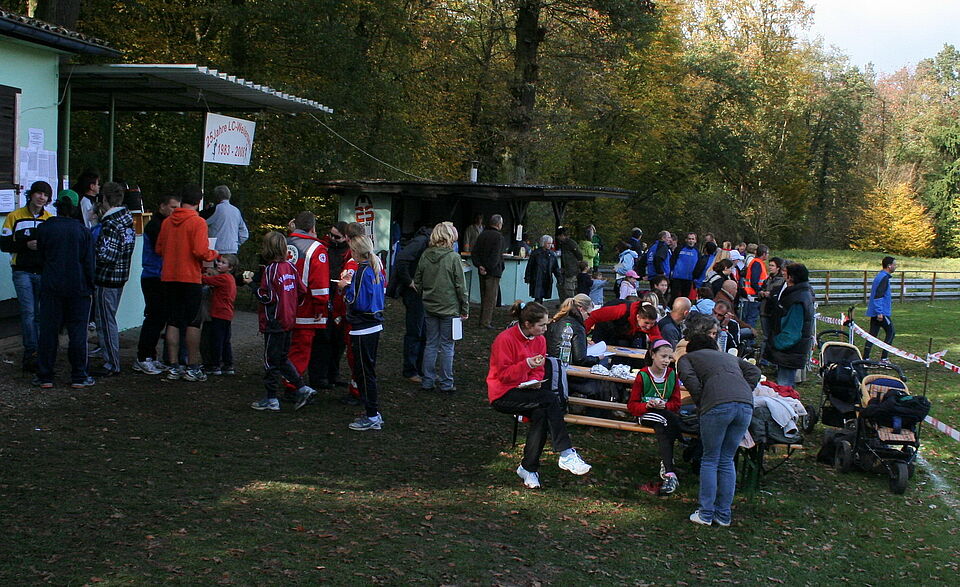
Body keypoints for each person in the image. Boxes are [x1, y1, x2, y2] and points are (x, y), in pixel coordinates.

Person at [487, 301, 592, 488]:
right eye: (542, 325)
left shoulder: (540, 340)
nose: (546, 328)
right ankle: (566, 452)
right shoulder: (505, 340)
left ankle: (528, 468)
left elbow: (539, 369)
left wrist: (534, 381)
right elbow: (503, 375)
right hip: (502, 393)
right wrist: (526, 364)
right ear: (528, 324)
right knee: (549, 399)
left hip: (526, 391)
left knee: (542, 413)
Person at [678, 334, 760, 527]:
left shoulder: (687, 358)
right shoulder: (729, 357)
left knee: (710, 458)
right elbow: (754, 371)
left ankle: (705, 513)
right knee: (727, 459)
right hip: (745, 406)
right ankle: (723, 515)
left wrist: (702, 400)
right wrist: (744, 389)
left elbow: (689, 379)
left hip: (717, 406)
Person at [155, 184, 219, 382]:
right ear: (199, 202)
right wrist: (214, 253)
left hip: (169, 277)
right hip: (190, 277)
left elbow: (159, 249)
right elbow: (200, 251)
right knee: (193, 322)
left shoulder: (167, 222)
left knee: (173, 321)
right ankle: (192, 366)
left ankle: (173, 366)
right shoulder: (198, 222)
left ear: (182, 199)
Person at [33, 191, 95, 389]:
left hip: (51, 285)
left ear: (57, 206)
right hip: (78, 288)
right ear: (75, 208)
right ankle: (79, 375)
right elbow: (89, 263)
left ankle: (45, 376)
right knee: (78, 333)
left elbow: (40, 258)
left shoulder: (44, 228)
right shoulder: (83, 231)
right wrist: (91, 285)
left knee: (48, 332)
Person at [249, 231, 316, 411]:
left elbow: (267, 296)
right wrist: (291, 305)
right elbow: (302, 290)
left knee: (271, 361)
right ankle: (302, 388)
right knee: (282, 358)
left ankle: (271, 398)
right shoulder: (291, 267)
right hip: (288, 320)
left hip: (274, 321)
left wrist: (252, 286)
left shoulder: (271, 270)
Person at [0, 180, 51, 372]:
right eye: (38, 193)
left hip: (43, 271)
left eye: (45, 195)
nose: (41, 197)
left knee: (40, 313)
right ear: (31, 195)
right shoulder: (14, 216)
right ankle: (31, 352)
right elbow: (4, 244)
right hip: (22, 271)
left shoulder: (49, 219)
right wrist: (25, 245)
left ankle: (40, 351)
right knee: (28, 312)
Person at [414, 221, 469, 394]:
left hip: (430, 306)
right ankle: (446, 383)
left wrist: (425, 295)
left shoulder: (425, 255)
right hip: (450, 308)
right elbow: (461, 286)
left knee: (431, 344)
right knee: (447, 346)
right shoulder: (453, 258)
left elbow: (418, 281)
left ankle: (428, 381)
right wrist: (465, 308)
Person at [90, 182, 136, 378]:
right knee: (109, 318)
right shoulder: (127, 220)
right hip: (120, 276)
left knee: (105, 321)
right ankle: (110, 357)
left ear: (104, 199)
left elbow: (106, 255)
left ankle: (111, 363)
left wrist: (93, 249)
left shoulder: (110, 224)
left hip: (106, 278)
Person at [341, 234, 386, 430]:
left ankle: (372, 415)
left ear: (355, 252)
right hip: (373, 325)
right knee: (368, 371)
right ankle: (372, 412)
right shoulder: (376, 268)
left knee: (364, 373)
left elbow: (356, 301)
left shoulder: (362, 271)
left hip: (362, 328)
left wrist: (345, 288)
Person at [628, 339, 683, 495]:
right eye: (663, 356)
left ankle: (669, 471)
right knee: (665, 420)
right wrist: (647, 406)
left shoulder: (672, 375)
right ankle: (671, 463)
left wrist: (665, 406)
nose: (666, 361)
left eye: (669, 357)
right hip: (645, 414)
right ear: (653, 355)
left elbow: (676, 403)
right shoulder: (643, 375)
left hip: (665, 415)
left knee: (663, 423)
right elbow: (632, 406)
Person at [134, 193, 180, 375]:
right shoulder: (155, 225)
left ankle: (150, 355)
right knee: (154, 317)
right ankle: (143, 357)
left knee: (159, 317)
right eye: (173, 207)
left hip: (161, 275)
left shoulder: (164, 224)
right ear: (162, 206)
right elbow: (161, 249)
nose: (176, 211)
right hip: (153, 276)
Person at [285, 212, 331, 385]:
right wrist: (321, 307)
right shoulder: (316, 249)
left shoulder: (283, 243)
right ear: (313, 227)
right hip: (305, 307)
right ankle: (292, 385)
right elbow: (319, 283)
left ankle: (284, 381)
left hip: (283, 304)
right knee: (300, 349)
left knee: (285, 346)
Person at [309, 221, 350, 388]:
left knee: (338, 340)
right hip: (325, 296)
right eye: (331, 235)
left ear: (346, 237)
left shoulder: (348, 252)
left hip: (339, 298)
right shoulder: (323, 247)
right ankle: (319, 376)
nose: (332, 238)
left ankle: (333, 374)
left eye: (337, 237)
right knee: (322, 339)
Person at [391, 224, 431, 383]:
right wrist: (409, 282)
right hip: (414, 294)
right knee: (415, 331)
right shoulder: (420, 242)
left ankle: (419, 368)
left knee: (423, 332)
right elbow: (401, 259)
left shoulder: (424, 242)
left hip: (420, 293)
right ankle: (410, 370)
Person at [765, 263, 815, 387]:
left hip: (789, 351)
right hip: (788, 351)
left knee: (784, 387)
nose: (783, 274)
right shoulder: (799, 294)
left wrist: (776, 343)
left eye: (785, 273)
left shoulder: (797, 299)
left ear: (791, 277)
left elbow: (792, 332)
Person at [201, 254, 239, 375]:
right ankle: (228, 364)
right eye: (219, 261)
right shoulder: (230, 278)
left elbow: (206, 280)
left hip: (219, 313)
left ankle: (215, 365)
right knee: (225, 340)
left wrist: (196, 273)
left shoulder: (223, 278)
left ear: (230, 267)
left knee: (216, 340)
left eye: (223, 263)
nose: (219, 264)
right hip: (226, 314)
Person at [472, 214, 506, 329]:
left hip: (482, 270)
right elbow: (495, 256)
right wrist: (487, 267)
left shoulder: (482, 235)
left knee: (484, 297)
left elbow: (475, 252)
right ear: (498, 224)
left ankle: (482, 320)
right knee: (490, 299)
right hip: (493, 271)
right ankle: (486, 322)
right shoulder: (499, 237)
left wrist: (480, 266)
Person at [585, 299, 662, 350]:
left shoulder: (651, 323)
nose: (648, 327)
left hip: (624, 334)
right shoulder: (622, 310)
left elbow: (657, 338)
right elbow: (594, 315)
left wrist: (662, 348)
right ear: (638, 317)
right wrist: (583, 335)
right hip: (605, 328)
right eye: (646, 323)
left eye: (652, 324)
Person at [864, 256, 897, 361]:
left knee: (872, 335)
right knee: (891, 332)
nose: (896, 267)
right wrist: (879, 312)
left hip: (876, 311)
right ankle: (884, 358)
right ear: (889, 266)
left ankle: (865, 358)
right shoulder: (884, 278)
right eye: (894, 265)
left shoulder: (881, 276)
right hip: (881, 312)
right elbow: (878, 295)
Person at [204, 185, 249, 254]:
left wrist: (206, 210)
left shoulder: (214, 209)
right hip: (233, 249)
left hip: (216, 250)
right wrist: (235, 243)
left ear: (217, 197)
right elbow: (244, 234)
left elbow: (202, 223)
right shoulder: (236, 211)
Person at [759, 256, 786, 360]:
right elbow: (760, 289)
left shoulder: (781, 281)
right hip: (764, 310)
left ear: (778, 268)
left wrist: (770, 294)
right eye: (769, 265)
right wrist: (761, 293)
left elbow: (779, 296)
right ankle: (764, 359)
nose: (770, 267)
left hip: (773, 312)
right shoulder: (767, 279)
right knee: (766, 336)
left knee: (773, 336)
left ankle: (771, 358)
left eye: (772, 266)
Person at [524, 235, 562, 304]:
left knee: (543, 294)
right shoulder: (536, 253)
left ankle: (538, 307)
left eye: (550, 243)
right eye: (548, 243)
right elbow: (530, 266)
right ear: (543, 243)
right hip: (537, 277)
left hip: (547, 277)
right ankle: (537, 307)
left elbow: (555, 268)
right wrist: (527, 278)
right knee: (538, 296)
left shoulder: (552, 254)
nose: (549, 245)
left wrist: (559, 278)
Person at [740, 244, 769, 328]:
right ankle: (749, 334)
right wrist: (760, 290)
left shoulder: (757, 262)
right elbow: (754, 281)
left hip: (752, 294)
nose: (768, 255)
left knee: (750, 318)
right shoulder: (757, 263)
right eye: (767, 253)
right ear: (764, 254)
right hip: (753, 295)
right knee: (751, 318)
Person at [670, 232, 699, 302]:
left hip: (689, 279)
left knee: (685, 299)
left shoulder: (697, 251)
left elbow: (699, 265)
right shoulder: (679, 248)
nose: (691, 241)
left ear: (695, 240)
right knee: (674, 297)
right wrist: (671, 271)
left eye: (692, 239)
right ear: (686, 240)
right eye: (689, 239)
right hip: (677, 278)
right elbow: (672, 260)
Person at [555, 226, 583, 300]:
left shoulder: (571, 243)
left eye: (559, 236)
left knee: (569, 288)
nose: (558, 238)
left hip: (571, 270)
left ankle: (571, 304)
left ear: (562, 235)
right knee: (560, 287)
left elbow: (579, 255)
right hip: (564, 270)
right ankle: (564, 303)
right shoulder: (562, 244)